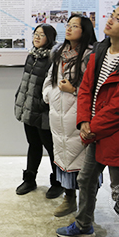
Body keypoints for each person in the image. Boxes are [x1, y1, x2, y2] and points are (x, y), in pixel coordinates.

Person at [56, 0, 119, 237]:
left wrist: (92, 128)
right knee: (85, 179)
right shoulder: (100, 49)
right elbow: (86, 88)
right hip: (95, 132)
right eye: (113, 14)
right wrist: (83, 121)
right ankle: (83, 225)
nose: (110, 20)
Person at [43, 14, 97, 217]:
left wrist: (73, 90)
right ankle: (69, 198)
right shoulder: (59, 52)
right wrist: (49, 94)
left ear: (85, 31)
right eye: (68, 25)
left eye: (75, 26)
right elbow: (50, 78)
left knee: (81, 161)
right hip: (57, 115)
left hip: (78, 114)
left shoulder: (90, 55)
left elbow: (94, 88)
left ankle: (85, 207)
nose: (69, 28)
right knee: (62, 155)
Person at [14, 23, 63, 198]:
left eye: (41, 35)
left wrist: (44, 103)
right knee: (33, 144)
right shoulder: (32, 55)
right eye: (35, 34)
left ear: (49, 38)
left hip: (44, 111)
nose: (37, 37)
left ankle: (58, 183)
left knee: (51, 148)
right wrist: (19, 97)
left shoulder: (54, 58)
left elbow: (54, 85)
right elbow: (25, 81)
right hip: (28, 108)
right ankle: (29, 179)